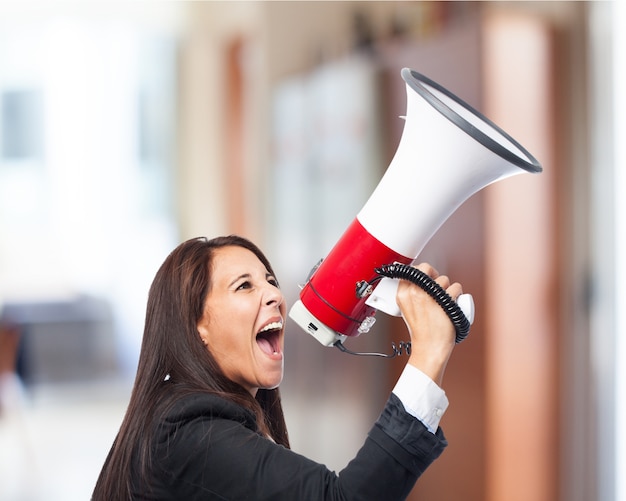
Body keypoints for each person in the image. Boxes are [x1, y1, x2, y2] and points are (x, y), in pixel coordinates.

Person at [92, 235, 463, 500]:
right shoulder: (189, 431)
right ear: (197, 326)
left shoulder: (188, 415)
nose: (274, 295)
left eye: (270, 281)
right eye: (244, 287)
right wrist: (428, 353)